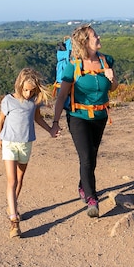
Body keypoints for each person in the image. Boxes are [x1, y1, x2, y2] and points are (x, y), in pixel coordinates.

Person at [49, 24, 118, 218]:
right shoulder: (74, 66)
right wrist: (55, 122)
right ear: (85, 42)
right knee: (86, 157)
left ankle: (83, 185)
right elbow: (62, 96)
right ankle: (92, 199)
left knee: (92, 156)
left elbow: (112, 88)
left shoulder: (107, 61)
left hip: (100, 117)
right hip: (78, 117)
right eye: (95, 35)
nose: (99, 37)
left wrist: (112, 79)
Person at [0, 68, 54, 238]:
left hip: (26, 144)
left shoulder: (35, 101)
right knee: (12, 180)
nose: (28, 93)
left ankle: (11, 204)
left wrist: (50, 130)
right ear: (19, 85)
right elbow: (1, 119)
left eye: (32, 90)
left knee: (20, 180)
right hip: (9, 143)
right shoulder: (8, 100)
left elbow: (37, 118)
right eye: (26, 89)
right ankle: (14, 222)